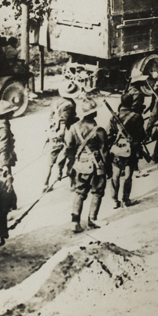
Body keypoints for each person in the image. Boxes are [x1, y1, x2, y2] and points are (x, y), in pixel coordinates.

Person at [65, 97, 108, 233]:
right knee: (97, 191)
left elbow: (69, 147)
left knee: (80, 193)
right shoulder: (99, 130)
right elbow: (104, 152)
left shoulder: (73, 128)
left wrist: (69, 166)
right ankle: (92, 220)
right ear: (94, 113)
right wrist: (107, 168)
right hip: (95, 166)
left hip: (80, 165)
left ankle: (75, 223)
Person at [107, 93, 146, 209]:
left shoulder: (114, 116)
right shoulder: (136, 117)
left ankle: (114, 200)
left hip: (117, 149)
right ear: (131, 103)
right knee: (128, 176)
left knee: (116, 175)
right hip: (131, 149)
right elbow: (141, 135)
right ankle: (126, 199)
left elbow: (109, 135)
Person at [43, 80, 81, 192]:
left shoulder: (56, 102)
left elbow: (51, 117)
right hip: (65, 134)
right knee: (71, 157)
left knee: (50, 160)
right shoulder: (70, 105)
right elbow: (64, 121)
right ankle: (71, 183)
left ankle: (45, 184)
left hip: (53, 132)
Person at [0, 100, 18, 175]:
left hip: (0, 158)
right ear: (6, 114)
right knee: (7, 182)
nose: (13, 113)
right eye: (11, 111)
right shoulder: (4, 129)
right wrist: (4, 165)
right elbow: (2, 146)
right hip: (3, 160)